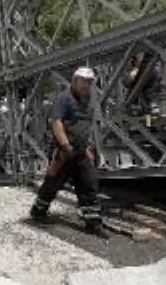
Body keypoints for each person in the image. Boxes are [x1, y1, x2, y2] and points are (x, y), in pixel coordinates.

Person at [29, 66, 108, 237]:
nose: (86, 85)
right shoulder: (64, 98)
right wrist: (65, 145)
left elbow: (86, 126)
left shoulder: (89, 101)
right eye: (83, 81)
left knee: (89, 184)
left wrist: (88, 147)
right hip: (65, 151)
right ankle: (38, 211)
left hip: (81, 151)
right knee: (53, 183)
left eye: (89, 82)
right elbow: (56, 122)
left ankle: (93, 223)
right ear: (75, 81)